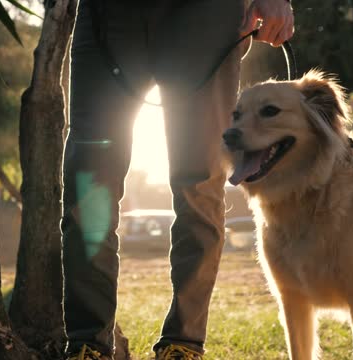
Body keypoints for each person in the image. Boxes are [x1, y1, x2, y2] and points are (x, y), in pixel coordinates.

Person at [62, 0, 295, 359]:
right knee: (89, 182)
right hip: (107, 13)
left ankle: (183, 344)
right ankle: (86, 345)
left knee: (199, 184)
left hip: (205, 14)